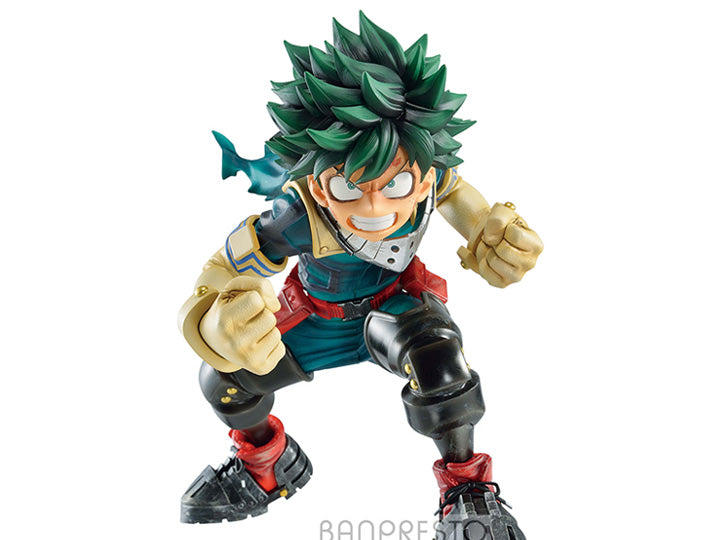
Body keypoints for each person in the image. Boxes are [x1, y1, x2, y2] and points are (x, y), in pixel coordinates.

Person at [178, 12, 543, 539]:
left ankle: (467, 492)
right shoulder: (296, 215)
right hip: (318, 319)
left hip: (396, 310)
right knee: (224, 381)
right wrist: (216, 325)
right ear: (316, 184)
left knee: (442, 367)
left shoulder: (431, 175)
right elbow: (225, 269)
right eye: (349, 188)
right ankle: (266, 466)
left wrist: (499, 238)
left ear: (424, 178)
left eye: (395, 186)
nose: (374, 208)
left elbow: (471, 209)